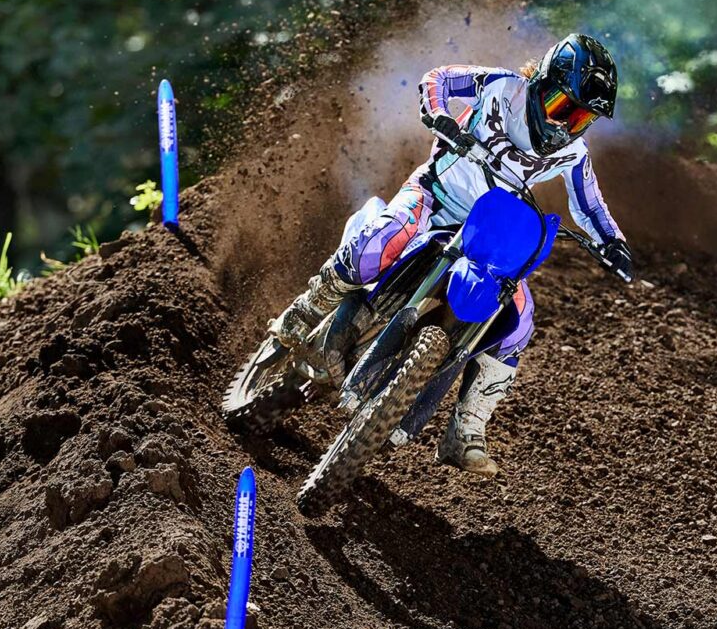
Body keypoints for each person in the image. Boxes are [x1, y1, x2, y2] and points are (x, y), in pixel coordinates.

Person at [270, 33, 632, 477]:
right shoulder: (501, 87)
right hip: (435, 197)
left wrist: (612, 242)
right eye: (564, 109)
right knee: (378, 245)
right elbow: (439, 80)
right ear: (542, 83)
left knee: (519, 320)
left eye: (581, 120)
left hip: (485, 231)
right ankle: (310, 307)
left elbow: (589, 205)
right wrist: (438, 113)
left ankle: (467, 429)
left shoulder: (573, 152)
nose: (566, 126)